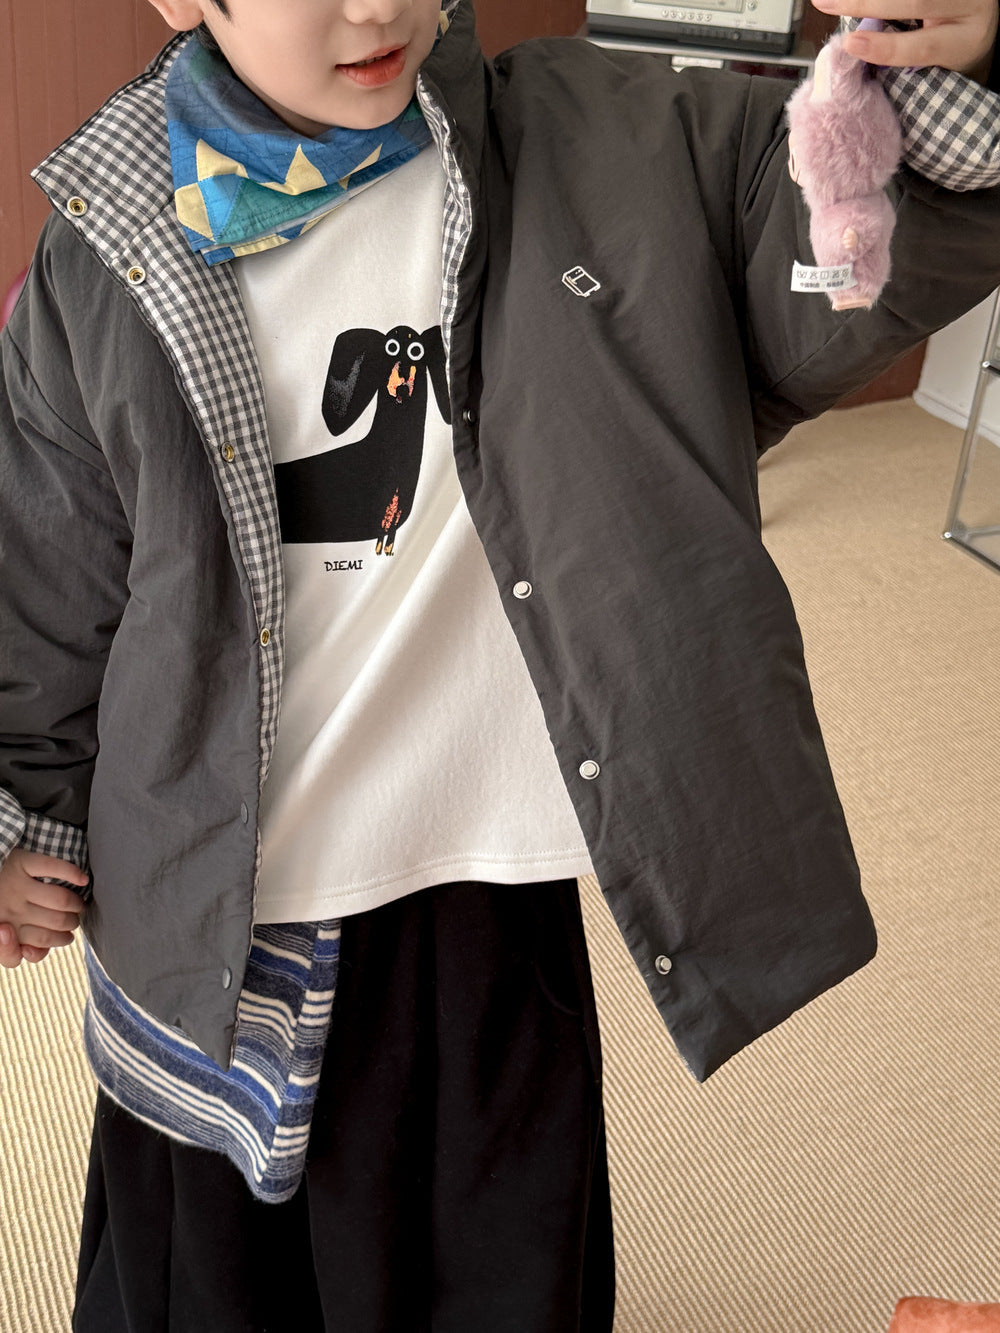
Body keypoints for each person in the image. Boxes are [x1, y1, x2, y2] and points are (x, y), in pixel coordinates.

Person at [1, 0, 998, 1328]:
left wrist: (951, 59)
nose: (376, 7)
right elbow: (46, 572)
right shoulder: (107, 250)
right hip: (215, 898)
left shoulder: (613, 144)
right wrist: (22, 809)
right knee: (212, 1277)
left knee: (501, 1249)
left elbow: (855, 244)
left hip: (487, 866)